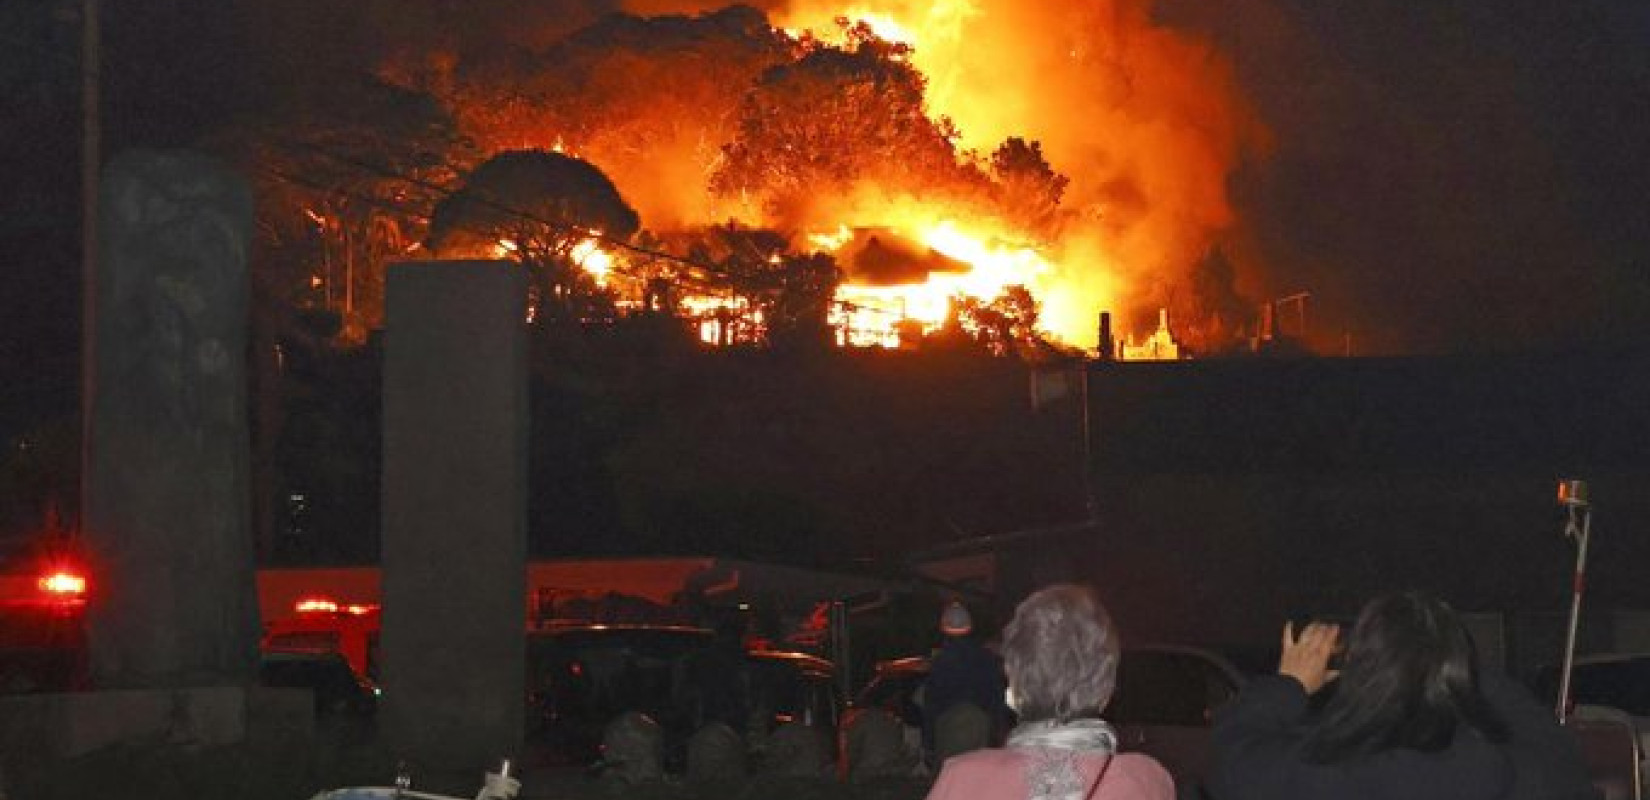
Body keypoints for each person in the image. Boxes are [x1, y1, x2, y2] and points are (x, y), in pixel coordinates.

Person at [1210, 590, 1597, 800]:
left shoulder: (1317, 773)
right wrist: (1447, 657)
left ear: (1363, 673)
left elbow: (1232, 754)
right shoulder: (1512, 771)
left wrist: (1288, 684)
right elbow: (1553, 744)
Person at [926, 585, 1175, 800]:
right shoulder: (1146, 781)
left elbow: (931, 706)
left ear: (1014, 684)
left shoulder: (963, 780)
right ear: (1107, 691)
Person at [922, 600, 1010, 761]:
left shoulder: (940, 662)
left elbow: (931, 705)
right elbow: (997, 700)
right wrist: (999, 734)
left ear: (943, 629)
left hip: (948, 732)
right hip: (983, 731)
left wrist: (928, 744)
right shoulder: (987, 659)